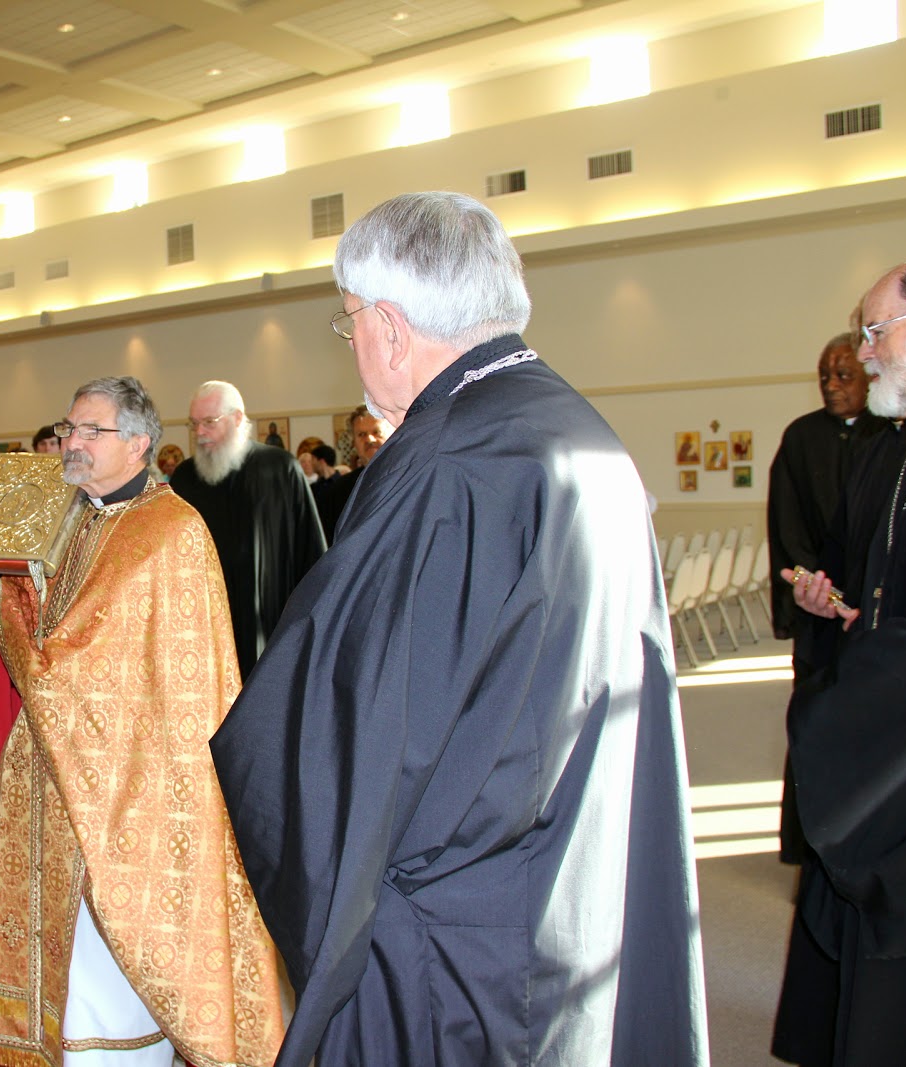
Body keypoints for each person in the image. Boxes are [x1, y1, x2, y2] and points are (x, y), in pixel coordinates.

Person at [211, 192, 708, 1066]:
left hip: (455, 924)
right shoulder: (576, 424)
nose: (353, 342)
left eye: (350, 321)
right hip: (568, 864)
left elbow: (357, 707)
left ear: (391, 328)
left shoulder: (448, 460)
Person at [0, 376, 283, 1067]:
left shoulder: (171, 532)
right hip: (57, 767)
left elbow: (74, 666)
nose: (73, 443)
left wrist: (1, 600)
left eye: (93, 431)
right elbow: (44, 634)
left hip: (134, 789)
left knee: (115, 970)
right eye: (69, 429)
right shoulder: (68, 519)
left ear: (140, 443)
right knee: (65, 966)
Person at [775, 257, 906, 1067]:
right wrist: (858, 618)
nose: (863, 354)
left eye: (874, 331)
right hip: (904, 749)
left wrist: (862, 692)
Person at [765, 332, 893, 864]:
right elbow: (787, 525)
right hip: (818, 610)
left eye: (843, 375)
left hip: (872, 614)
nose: (832, 386)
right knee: (814, 723)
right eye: (824, 376)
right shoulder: (801, 438)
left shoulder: (891, 438)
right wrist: (817, 591)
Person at [168, 380, 326, 679]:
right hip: (205, 624)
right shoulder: (185, 478)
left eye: (209, 422)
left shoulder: (279, 469)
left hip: (270, 620)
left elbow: (311, 552)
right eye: (194, 424)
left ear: (237, 418)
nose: (199, 432)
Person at [316, 405, 386, 541]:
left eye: (377, 432)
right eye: (361, 435)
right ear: (354, 442)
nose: (369, 439)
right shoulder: (338, 491)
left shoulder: (413, 478)